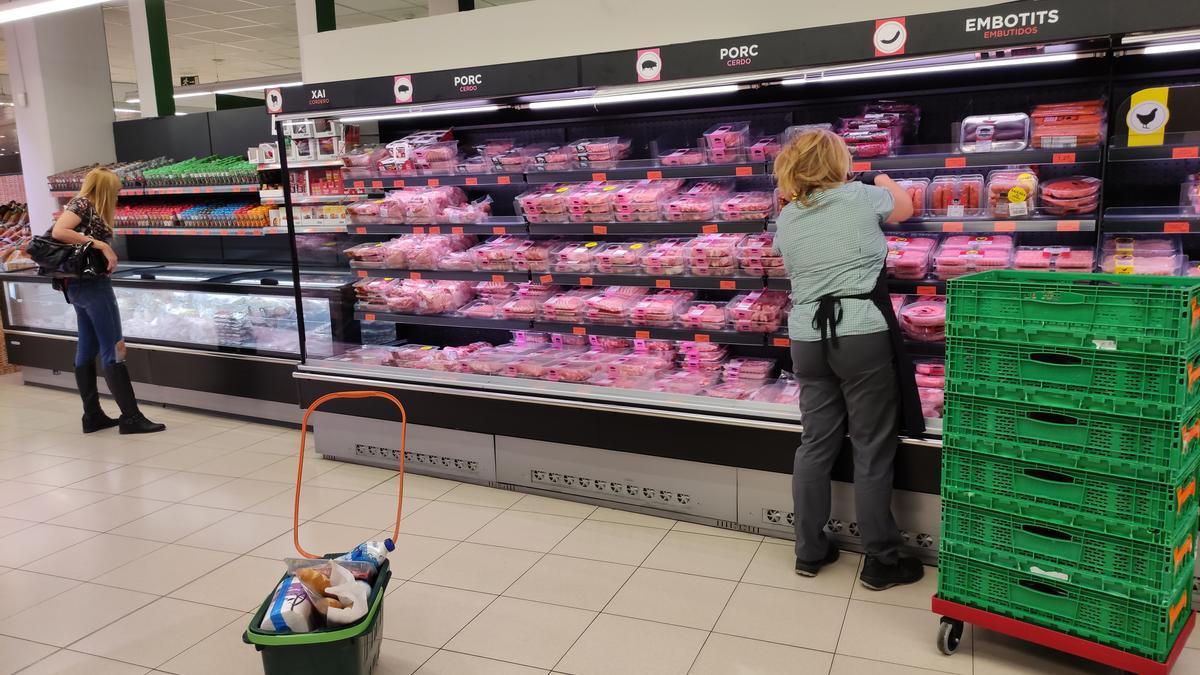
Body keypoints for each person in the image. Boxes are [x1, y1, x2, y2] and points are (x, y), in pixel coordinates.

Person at [772, 129, 925, 590]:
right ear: (839, 162)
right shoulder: (862, 195)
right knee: (871, 447)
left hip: (806, 336)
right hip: (859, 330)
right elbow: (906, 208)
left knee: (815, 444)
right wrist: (880, 175)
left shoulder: (789, 215)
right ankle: (882, 557)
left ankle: (808, 550)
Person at [51, 167, 165, 435]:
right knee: (114, 346)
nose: (118, 195)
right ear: (104, 188)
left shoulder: (85, 206)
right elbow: (59, 230)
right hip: (92, 285)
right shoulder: (83, 204)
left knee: (87, 347)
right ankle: (131, 417)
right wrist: (101, 245)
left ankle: (92, 415)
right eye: (115, 190)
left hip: (79, 286)